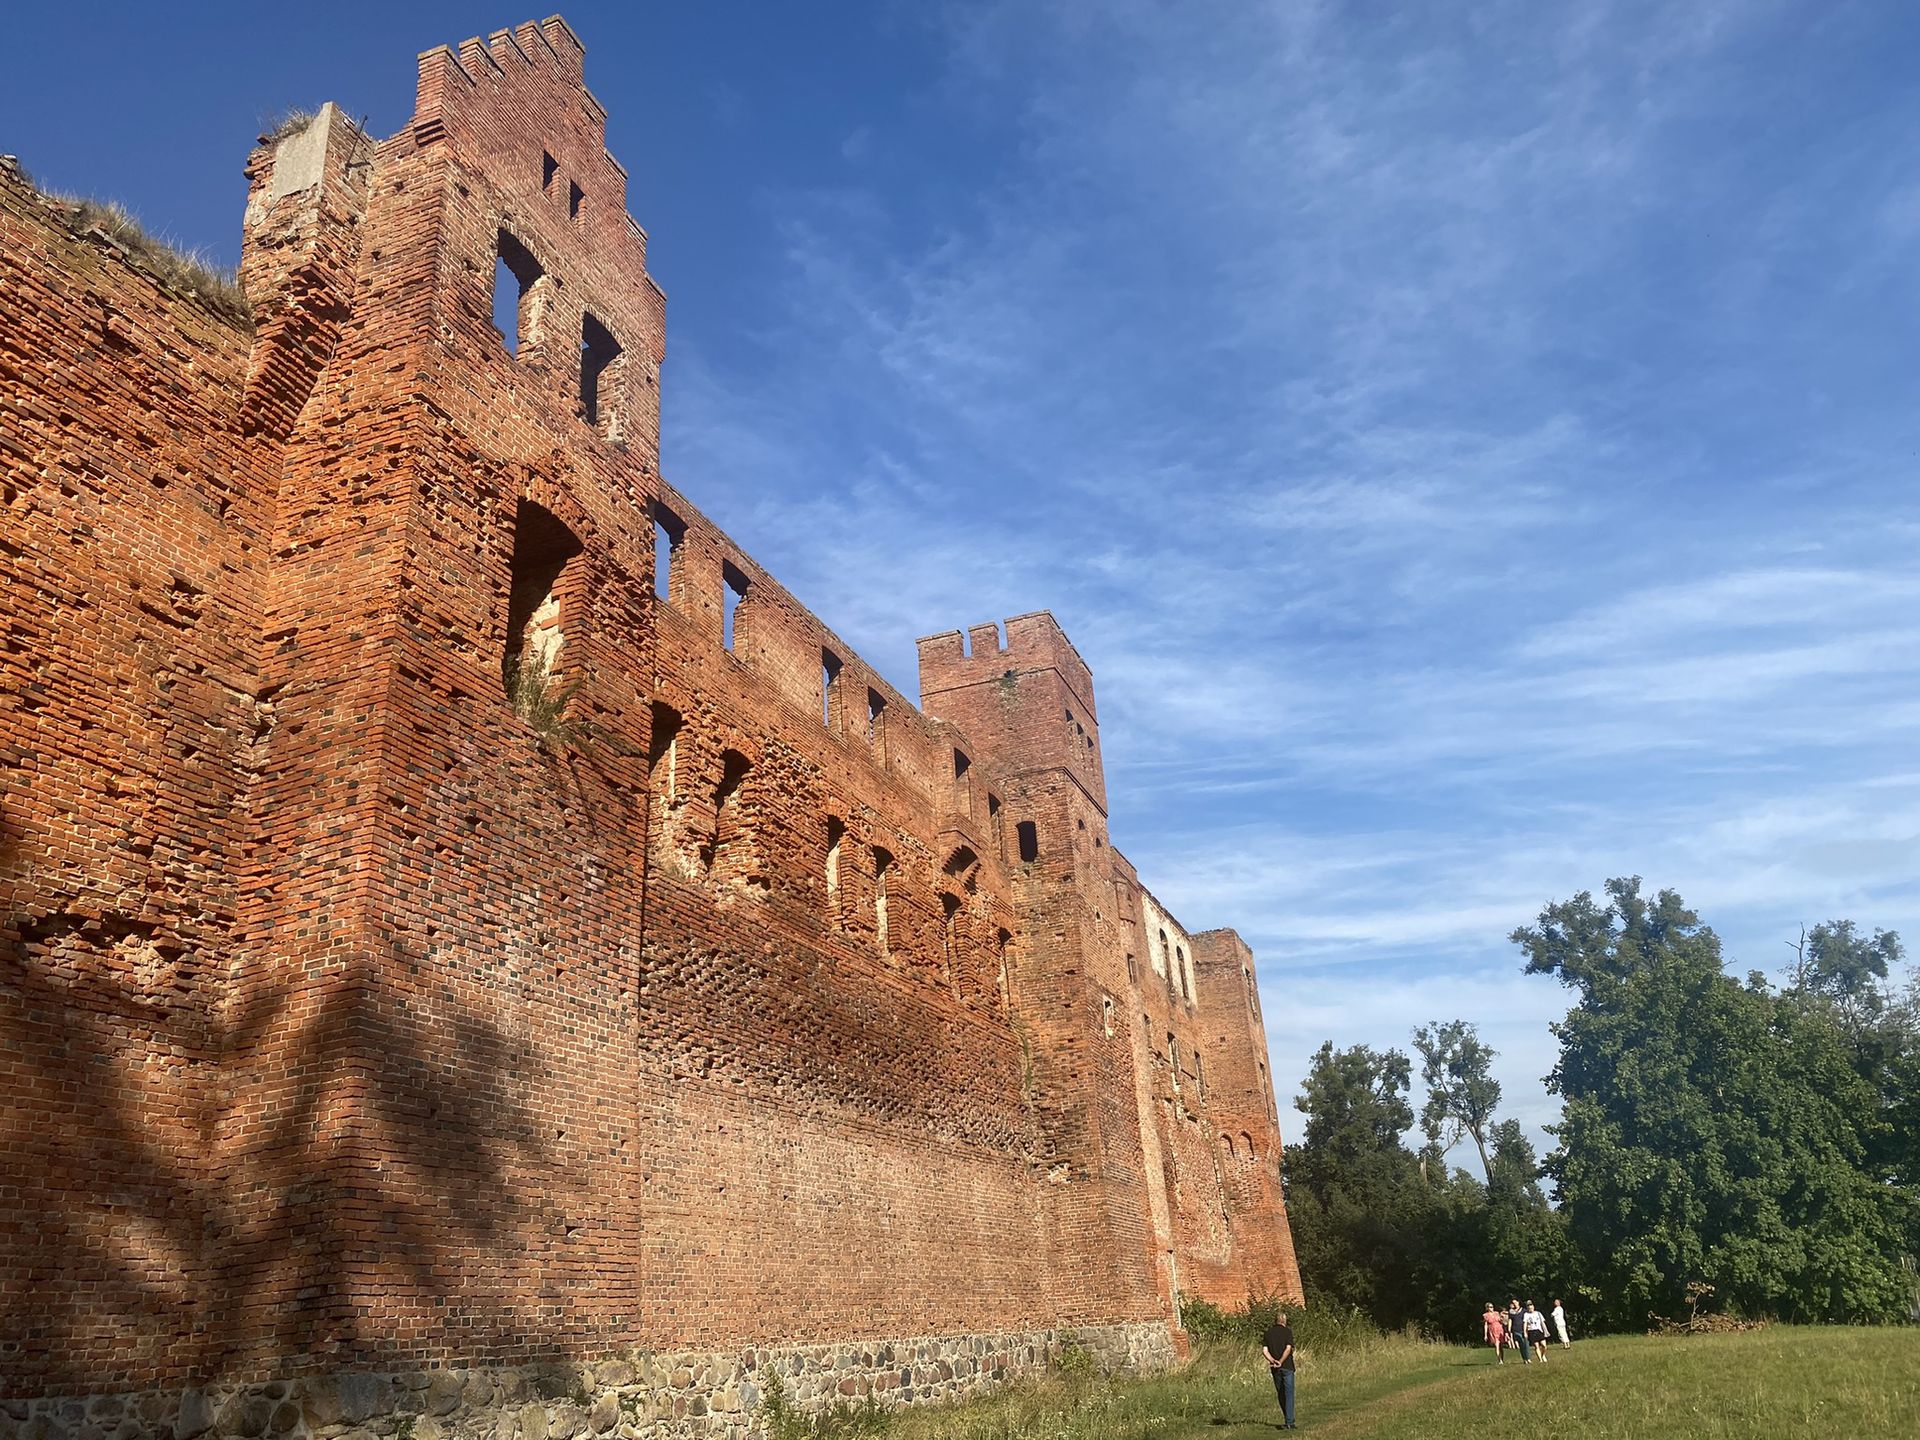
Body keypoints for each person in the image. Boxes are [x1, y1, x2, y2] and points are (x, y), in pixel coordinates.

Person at [1261, 1310, 1297, 1429]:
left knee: (1281, 1393)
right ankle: (1290, 1422)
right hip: (1287, 1366)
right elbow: (1288, 1348)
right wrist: (1281, 1361)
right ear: (1284, 1321)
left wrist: (1273, 1361)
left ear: (1275, 1320)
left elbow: (1264, 1351)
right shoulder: (1287, 1332)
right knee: (1289, 1393)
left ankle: (1287, 1417)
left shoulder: (1268, 1333)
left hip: (1274, 1368)